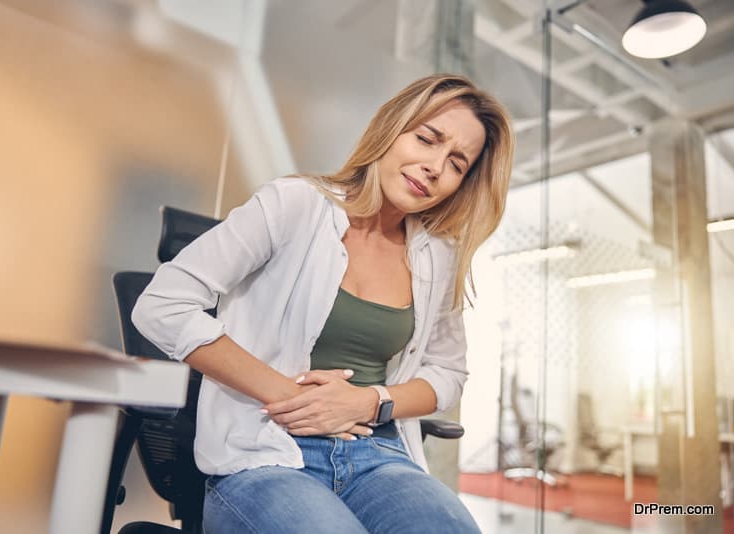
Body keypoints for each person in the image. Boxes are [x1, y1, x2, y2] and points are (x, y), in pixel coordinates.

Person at [132, 73, 513, 533]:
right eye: (426, 139)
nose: (434, 165)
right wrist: (291, 395)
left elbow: (448, 374)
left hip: (379, 455)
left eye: (456, 163)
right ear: (391, 130)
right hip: (266, 455)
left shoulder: (438, 255)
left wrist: (369, 402)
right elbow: (162, 305)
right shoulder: (294, 205)